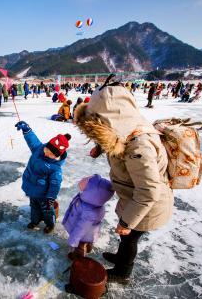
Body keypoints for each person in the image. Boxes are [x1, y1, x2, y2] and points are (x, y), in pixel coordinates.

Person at [74, 85, 173, 283]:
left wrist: (127, 222)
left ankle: (122, 272)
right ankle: (121, 257)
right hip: (133, 197)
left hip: (147, 206)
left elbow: (148, 191)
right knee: (126, 238)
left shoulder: (139, 147)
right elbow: (117, 136)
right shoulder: (128, 125)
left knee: (130, 238)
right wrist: (101, 148)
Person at [15, 121, 71, 234]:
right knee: (34, 206)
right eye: (46, 150)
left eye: (50, 154)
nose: (46, 154)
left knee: (47, 210)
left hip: (44, 194)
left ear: (57, 156)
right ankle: (35, 221)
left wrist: (51, 197)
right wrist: (27, 130)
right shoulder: (39, 149)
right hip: (31, 188)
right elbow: (32, 140)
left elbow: (55, 183)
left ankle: (50, 223)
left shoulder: (55, 168)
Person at [62, 174, 114, 260]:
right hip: (88, 233)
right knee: (86, 241)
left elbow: (81, 228)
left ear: (92, 194)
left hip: (83, 235)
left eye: (84, 190)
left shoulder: (89, 211)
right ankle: (89, 245)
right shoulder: (91, 203)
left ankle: (78, 258)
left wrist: (73, 240)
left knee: (80, 247)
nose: (81, 191)